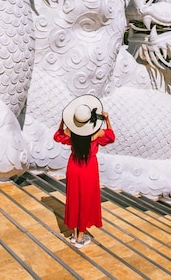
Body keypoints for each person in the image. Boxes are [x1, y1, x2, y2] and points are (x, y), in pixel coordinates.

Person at [54, 94, 115, 248]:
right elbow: (111, 137)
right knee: (85, 201)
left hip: (74, 165)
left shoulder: (70, 132)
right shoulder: (97, 133)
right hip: (88, 168)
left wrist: (62, 123)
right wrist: (107, 119)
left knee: (74, 199)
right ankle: (80, 237)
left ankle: (75, 235)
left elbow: (57, 136)